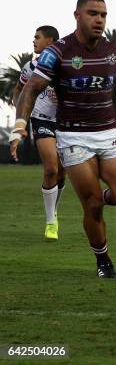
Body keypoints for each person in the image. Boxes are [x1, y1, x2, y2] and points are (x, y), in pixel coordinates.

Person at [10, 0, 116, 278]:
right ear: (77, 16)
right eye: (93, 13)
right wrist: (20, 125)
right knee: (92, 206)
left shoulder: (112, 49)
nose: (99, 20)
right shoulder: (58, 52)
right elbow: (30, 88)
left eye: (103, 15)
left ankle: (97, 196)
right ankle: (104, 262)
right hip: (73, 137)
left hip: (108, 134)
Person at [12, 26, 66, 240]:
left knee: (62, 172)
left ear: (51, 41)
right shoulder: (30, 67)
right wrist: (21, 117)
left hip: (65, 124)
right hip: (41, 120)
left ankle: (54, 210)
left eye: (37, 37)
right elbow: (19, 89)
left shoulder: (65, 67)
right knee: (51, 168)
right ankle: (50, 221)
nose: (33, 40)